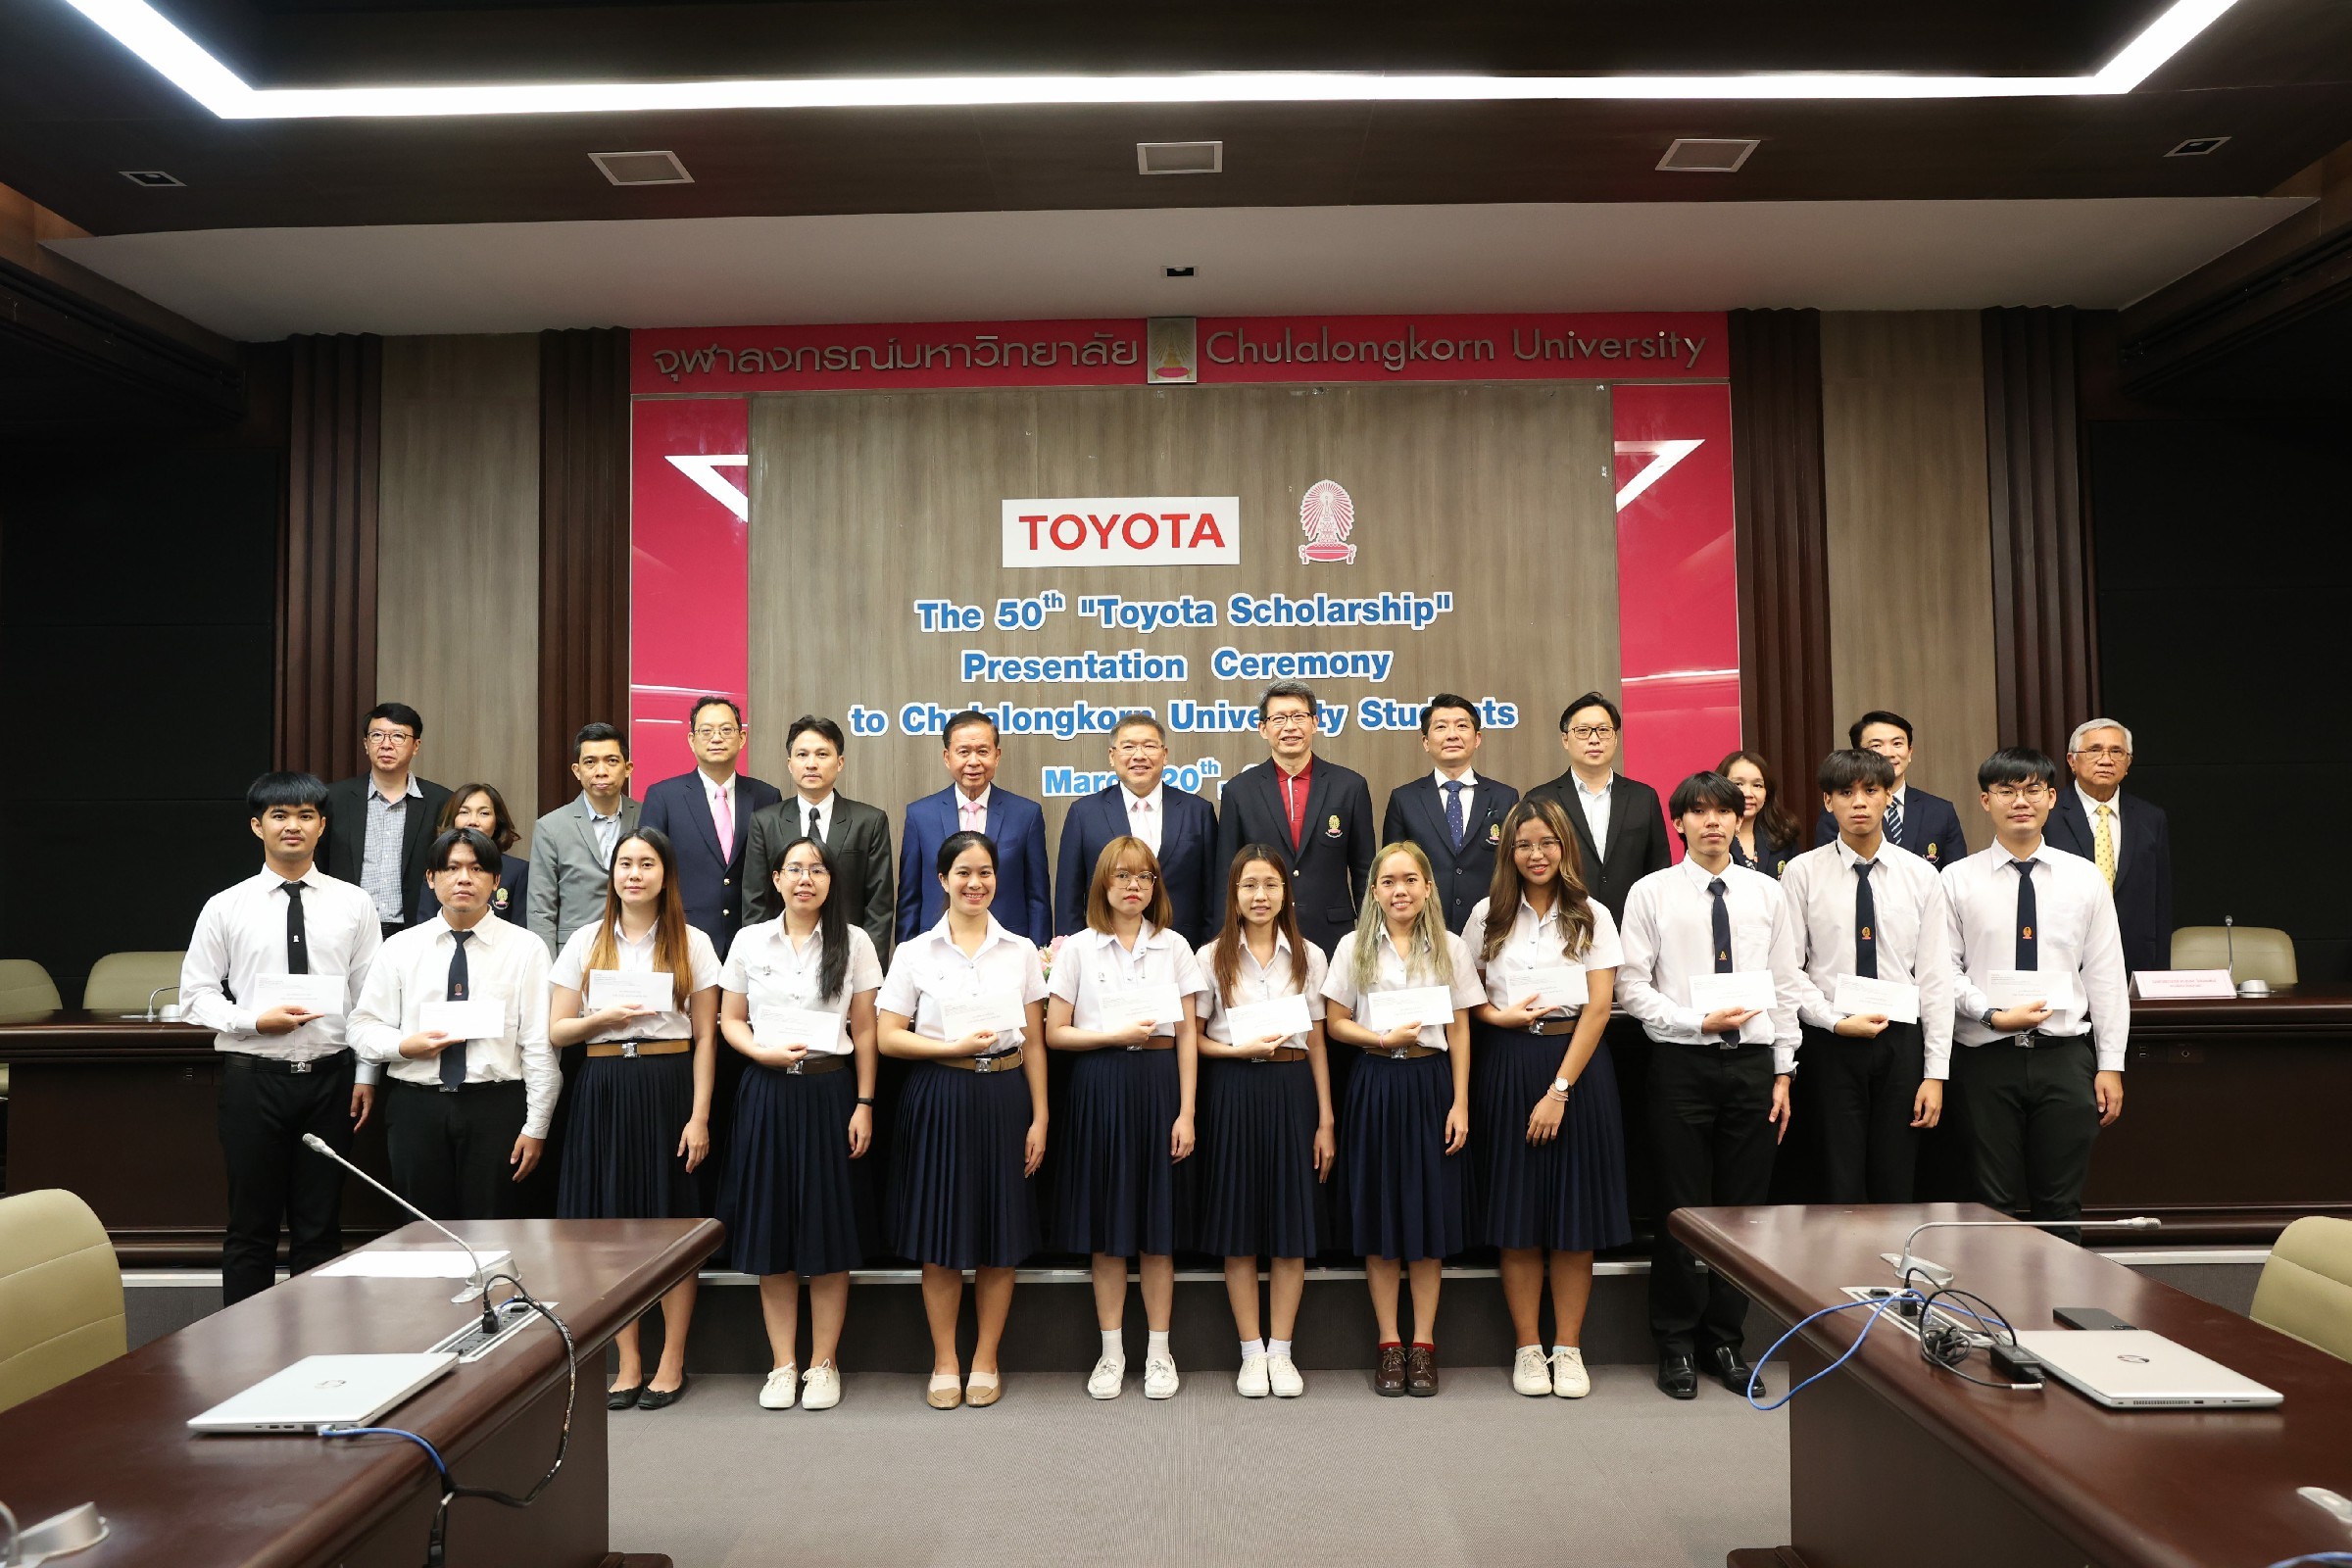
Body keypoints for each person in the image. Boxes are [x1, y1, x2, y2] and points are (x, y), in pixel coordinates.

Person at [1617, 772, 1802, 1402]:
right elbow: (1631, 985)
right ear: (1679, 823)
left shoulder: (1767, 893)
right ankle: (1674, 1342)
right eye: (1698, 812)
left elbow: (1785, 984)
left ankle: (1726, 1340)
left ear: (1738, 818)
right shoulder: (1651, 893)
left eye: (1723, 811)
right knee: (1681, 1209)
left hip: (1752, 1067)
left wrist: (1783, 1070)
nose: (1713, 822)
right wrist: (1693, 1021)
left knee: (1742, 1214)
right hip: (1681, 1064)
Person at [181, 771, 383, 1305]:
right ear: (258, 826)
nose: (293, 826)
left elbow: (370, 1000)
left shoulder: (354, 904)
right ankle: (244, 1349)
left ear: (322, 826)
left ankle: (316, 1345)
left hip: (331, 1083)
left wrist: (366, 1074)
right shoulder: (226, 906)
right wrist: (253, 1021)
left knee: (321, 1229)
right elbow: (195, 995)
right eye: (280, 815)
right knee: (251, 1228)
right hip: (254, 1082)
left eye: (305, 816)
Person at [1459, 797, 1628, 1400]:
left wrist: (1560, 1089)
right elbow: (1468, 996)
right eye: (1525, 844)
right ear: (1509, 851)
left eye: (1547, 843)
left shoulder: (1591, 914)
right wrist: (1497, 1017)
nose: (1536, 854)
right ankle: (1529, 1349)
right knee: (1518, 1215)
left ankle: (1569, 1348)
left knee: (1574, 1217)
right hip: (1508, 1064)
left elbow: (1600, 1007)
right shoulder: (1487, 914)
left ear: (1564, 847)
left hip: (1577, 1067)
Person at [877, 831, 1051, 1410]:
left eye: (985, 873)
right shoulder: (914, 953)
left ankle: (986, 1358)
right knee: (940, 1237)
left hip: (1005, 1094)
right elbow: (888, 1037)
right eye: (963, 873)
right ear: (942, 880)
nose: (975, 884)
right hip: (940, 1095)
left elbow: (1035, 1041)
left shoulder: (1020, 951)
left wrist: (1040, 1117)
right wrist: (948, 1047)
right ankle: (945, 1360)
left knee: (1001, 1236)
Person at [548, 826, 718, 1411]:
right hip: (604, 1086)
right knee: (612, 1229)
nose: (635, 874)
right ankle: (628, 1360)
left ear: (665, 875)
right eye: (625, 863)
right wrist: (602, 1019)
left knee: (671, 1225)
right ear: (612, 874)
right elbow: (558, 1030)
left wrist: (699, 1116)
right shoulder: (586, 940)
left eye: (647, 864)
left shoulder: (693, 942)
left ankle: (672, 1359)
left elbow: (706, 1039)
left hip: (668, 1083)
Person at [715, 836, 882, 1414]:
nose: (805, 879)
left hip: (829, 1092)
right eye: (794, 869)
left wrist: (864, 1102)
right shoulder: (748, 940)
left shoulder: (854, 942)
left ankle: (823, 1362)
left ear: (831, 880)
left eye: (817, 869)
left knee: (827, 1232)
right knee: (773, 1231)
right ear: (777, 880)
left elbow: (866, 1028)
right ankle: (783, 1363)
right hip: (766, 1092)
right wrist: (758, 1053)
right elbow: (730, 1020)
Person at [1943, 748, 2130, 1236]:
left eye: (2031, 790)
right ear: (1986, 801)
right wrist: (1990, 1014)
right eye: (2006, 791)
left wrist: (2110, 1064)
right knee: (1989, 1205)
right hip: (1984, 1056)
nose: (2020, 801)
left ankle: (2059, 1289)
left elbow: (2106, 976)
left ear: (2051, 797)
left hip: (2063, 1057)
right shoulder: (1957, 879)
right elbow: (1943, 970)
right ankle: (1990, 1290)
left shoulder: (2084, 878)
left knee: (2060, 1204)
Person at [1319, 841, 1482, 1397]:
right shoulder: (1353, 945)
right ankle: (1389, 1343)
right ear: (1374, 891)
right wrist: (1380, 1037)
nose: (1400, 891)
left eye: (1410, 880)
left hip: (1432, 1084)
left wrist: (1460, 1102)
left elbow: (1460, 1029)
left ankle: (1424, 1344)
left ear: (1428, 887)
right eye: (1388, 882)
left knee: (1428, 1218)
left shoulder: (1451, 947)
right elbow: (1335, 1023)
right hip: (1376, 1082)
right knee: (1381, 1215)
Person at [1047, 837, 1206, 1401]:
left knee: (1158, 1233)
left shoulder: (1175, 947)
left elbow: (1187, 1036)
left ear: (1155, 885)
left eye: (1143, 876)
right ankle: (1111, 1354)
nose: (1133, 886)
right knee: (1108, 1233)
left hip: (1160, 1086)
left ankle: (1159, 1353)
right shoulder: (1079, 949)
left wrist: (1187, 1111)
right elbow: (1055, 1033)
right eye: (1121, 876)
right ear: (1103, 884)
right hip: (1100, 1087)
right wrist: (1110, 1035)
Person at [350, 827, 559, 1220]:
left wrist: (537, 1126)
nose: (464, 878)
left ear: (496, 881)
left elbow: (539, 1046)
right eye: (451, 868)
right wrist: (404, 1046)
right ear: (431, 879)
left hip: (496, 1105)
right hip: (417, 1106)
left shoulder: (526, 948)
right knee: (422, 1234)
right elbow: (361, 1027)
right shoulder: (400, 947)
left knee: (494, 1230)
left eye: (477, 869)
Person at [1780, 750, 1955, 1204]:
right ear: (1828, 801)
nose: (1859, 802)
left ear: (1888, 797)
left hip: (1900, 1040)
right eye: (1845, 792)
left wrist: (1935, 1073)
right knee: (1836, 1180)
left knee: (1895, 1178)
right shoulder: (1802, 873)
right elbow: (1787, 970)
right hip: (1830, 1040)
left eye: (1871, 791)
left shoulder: (1920, 875)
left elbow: (1935, 977)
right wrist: (1832, 1020)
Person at [1195, 845, 1335, 1399]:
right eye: (1249, 885)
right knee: (1239, 1226)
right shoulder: (1210, 956)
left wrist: (1325, 1119)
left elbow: (1318, 1042)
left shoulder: (1309, 955)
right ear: (1233, 893)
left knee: (1289, 1226)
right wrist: (1238, 1050)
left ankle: (1282, 1350)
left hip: (1293, 1089)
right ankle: (1251, 1352)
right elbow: (1195, 1041)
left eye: (1271, 885)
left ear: (1286, 893)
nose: (1260, 896)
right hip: (1233, 1090)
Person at [1213, 680, 1377, 960]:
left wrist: (1369, 935)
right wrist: (1226, 938)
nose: (1290, 727)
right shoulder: (1239, 791)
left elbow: (1365, 870)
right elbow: (1227, 875)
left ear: (1315, 723)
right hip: (1261, 934)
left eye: (1299, 716)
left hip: (1333, 935)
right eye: (1279, 718)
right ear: (1263, 728)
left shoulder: (1349, 786)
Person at [1055, 714, 1220, 948]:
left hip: (1183, 951)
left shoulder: (1198, 811)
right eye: (1128, 747)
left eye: (1149, 746)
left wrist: (1208, 952)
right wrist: (1072, 954)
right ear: (1112, 756)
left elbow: (1214, 895)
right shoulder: (1084, 814)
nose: (1139, 755)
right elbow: (1068, 899)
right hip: (1105, 951)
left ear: (1164, 755)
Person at [639, 696, 782, 954]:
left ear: (742, 738)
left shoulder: (766, 796)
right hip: (682, 938)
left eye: (726, 730)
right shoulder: (663, 796)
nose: (716, 738)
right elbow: (649, 868)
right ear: (691, 740)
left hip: (752, 940)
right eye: (706, 731)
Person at [896, 712, 1052, 948]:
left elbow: (1037, 898)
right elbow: (910, 899)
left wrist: (1039, 954)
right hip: (936, 948)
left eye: (982, 751)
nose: (973, 761)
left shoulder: (1026, 815)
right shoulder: (920, 815)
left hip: (1008, 947)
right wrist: (907, 954)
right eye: (964, 752)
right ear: (947, 757)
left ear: (997, 756)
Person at [745, 714, 895, 958]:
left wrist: (865, 967)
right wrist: (765, 963)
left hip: (847, 955)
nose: (811, 764)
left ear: (840, 762)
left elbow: (879, 906)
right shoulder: (765, 822)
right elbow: (755, 902)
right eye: (802, 755)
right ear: (790, 763)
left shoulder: (869, 821)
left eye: (822, 754)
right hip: (781, 958)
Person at [1525, 693, 1673, 923]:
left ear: (1615, 738)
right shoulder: (1541, 799)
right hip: (1562, 924)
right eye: (1583, 731)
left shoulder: (1643, 798)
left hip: (1631, 925)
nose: (1594, 739)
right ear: (1565, 739)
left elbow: (1658, 868)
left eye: (1603, 730)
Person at [1383, 692, 1519, 933]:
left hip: (1491, 926)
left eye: (1462, 726)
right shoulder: (1404, 799)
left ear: (1477, 738)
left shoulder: (1505, 797)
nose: (1452, 735)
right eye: (1441, 727)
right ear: (1426, 742)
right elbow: (1392, 871)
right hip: (1424, 929)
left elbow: (1513, 866)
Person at [2047, 718, 2172, 974]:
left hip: (2134, 959)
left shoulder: (2151, 818)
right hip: (2064, 959)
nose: (2106, 760)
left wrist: (2160, 973)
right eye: (2094, 750)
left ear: (2128, 763)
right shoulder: (2047, 815)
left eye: (2117, 751)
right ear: (2072, 761)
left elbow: (2161, 901)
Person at [322, 702, 453, 941]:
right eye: (377, 735)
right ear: (366, 744)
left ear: (416, 746)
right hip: (346, 929)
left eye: (398, 736)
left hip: (416, 931)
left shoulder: (441, 801)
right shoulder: (334, 799)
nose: (386, 744)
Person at [529, 722, 641, 956]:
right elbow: (541, 910)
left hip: (640, 948)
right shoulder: (551, 827)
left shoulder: (649, 817)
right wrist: (549, 968)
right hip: (575, 953)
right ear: (577, 770)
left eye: (612, 761)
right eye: (590, 762)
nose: (601, 771)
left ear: (628, 768)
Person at [1811, 710, 1967, 869]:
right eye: (1876, 745)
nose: (1889, 753)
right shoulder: (1838, 812)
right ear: (1858, 754)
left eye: (1897, 744)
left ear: (1910, 751)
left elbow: (1955, 877)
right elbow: (1827, 869)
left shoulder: (1941, 811)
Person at [412, 783, 529, 927]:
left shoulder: (518, 870)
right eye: (464, 812)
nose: (473, 821)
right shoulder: (439, 865)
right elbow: (426, 925)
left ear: (497, 822)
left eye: (484, 813)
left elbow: (520, 929)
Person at [1717, 749, 1799, 879]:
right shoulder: (1710, 835)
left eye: (1757, 785)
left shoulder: (1784, 835)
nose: (1748, 793)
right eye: (1738, 784)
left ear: (1767, 793)